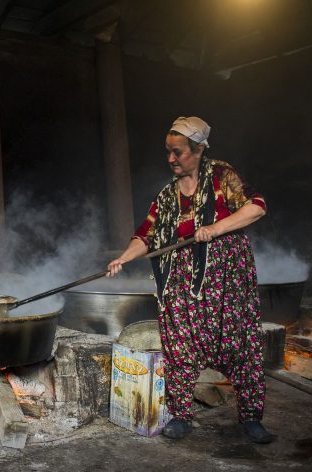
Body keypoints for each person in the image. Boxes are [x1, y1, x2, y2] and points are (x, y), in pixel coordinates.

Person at [107, 116, 274, 444]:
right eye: (168, 151)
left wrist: (215, 228)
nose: (171, 158)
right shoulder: (167, 196)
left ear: (198, 150)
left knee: (240, 345)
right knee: (179, 346)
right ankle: (181, 415)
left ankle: (251, 419)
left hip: (226, 279)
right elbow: (147, 234)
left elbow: (256, 207)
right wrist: (124, 258)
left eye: (178, 152)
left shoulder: (222, 176)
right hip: (182, 282)